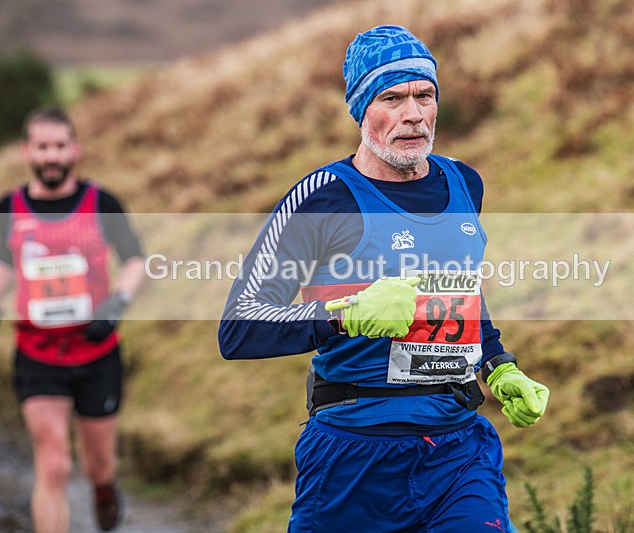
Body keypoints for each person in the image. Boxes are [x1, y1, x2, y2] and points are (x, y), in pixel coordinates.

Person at [218, 25, 549, 532]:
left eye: (424, 95)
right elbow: (239, 329)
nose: (413, 114)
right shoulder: (322, 197)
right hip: (352, 460)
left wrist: (499, 365)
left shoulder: (464, 182)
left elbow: (460, 292)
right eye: (392, 97)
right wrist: (344, 316)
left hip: (457, 451)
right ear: (360, 109)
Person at [0, 107, 145, 532]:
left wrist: (116, 305)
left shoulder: (102, 203)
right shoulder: (10, 206)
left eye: (58, 146)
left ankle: (105, 489)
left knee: (99, 466)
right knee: (52, 463)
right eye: (42, 147)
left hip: (96, 351)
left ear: (74, 149)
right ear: (26, 151)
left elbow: (135, 261)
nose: (51, 156)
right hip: (37, 353)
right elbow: (2, 260)